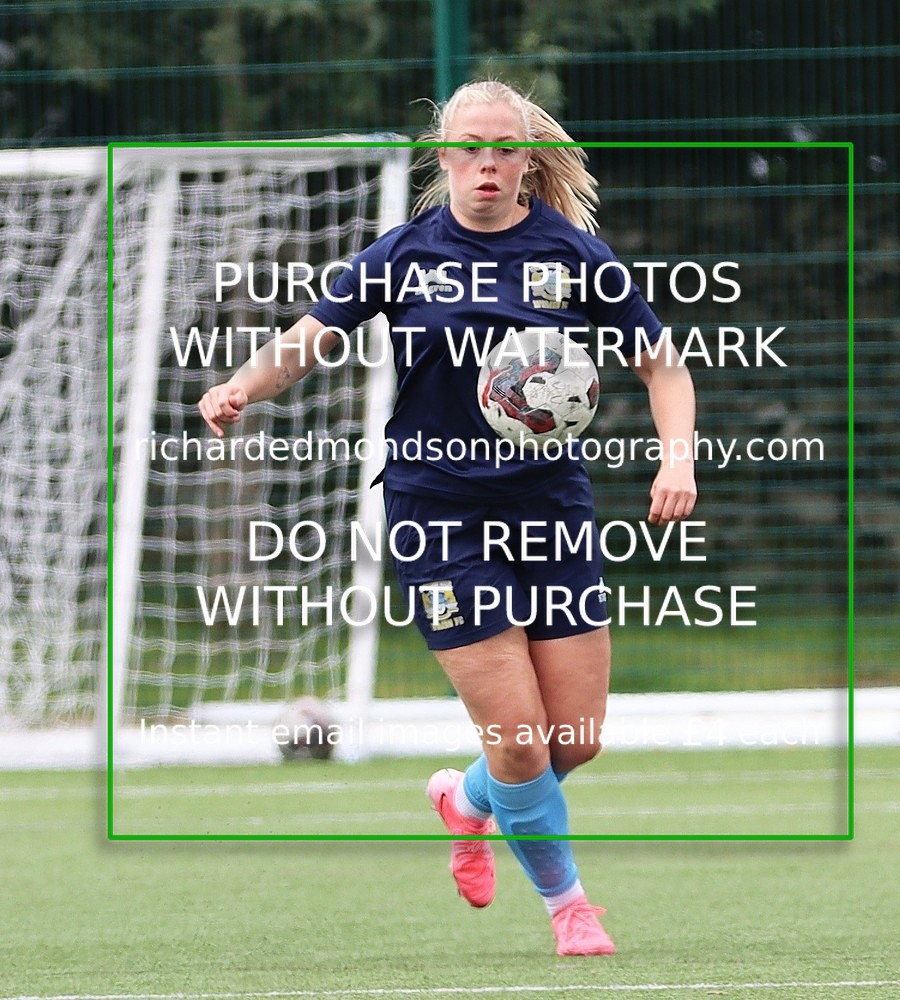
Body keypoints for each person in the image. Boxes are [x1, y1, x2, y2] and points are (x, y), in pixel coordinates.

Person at [198, 79, 697, 956]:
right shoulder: (403, 254)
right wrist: (241, 382)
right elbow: (307, 340)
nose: (487, 163)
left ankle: (463, 803)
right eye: (470, 147)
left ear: (527, 159)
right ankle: (569, 907)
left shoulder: (576, 255)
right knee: (517, 744)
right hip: (438, 511)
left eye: (504, 148)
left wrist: (678, 454)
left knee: (572, 740)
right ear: (445, 155)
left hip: (550, 506)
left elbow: (663, 367)